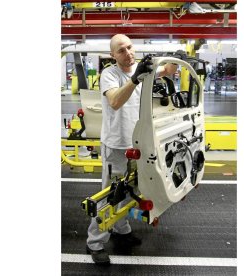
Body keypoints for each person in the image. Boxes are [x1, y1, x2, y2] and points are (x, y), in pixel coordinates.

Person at [86, 34, 183, 265]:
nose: (127, 53)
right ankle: (95, 242)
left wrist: (175, 62)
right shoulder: (110, 74)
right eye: (121, 50)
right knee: (110, 194)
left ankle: (122, 229)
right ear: (113, 55)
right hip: (116, 146)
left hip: (137, 145)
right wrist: (135, 79)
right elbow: (115, 102)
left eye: (129, 47)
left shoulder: (143, 71)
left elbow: (166, 70)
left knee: (130, 192)